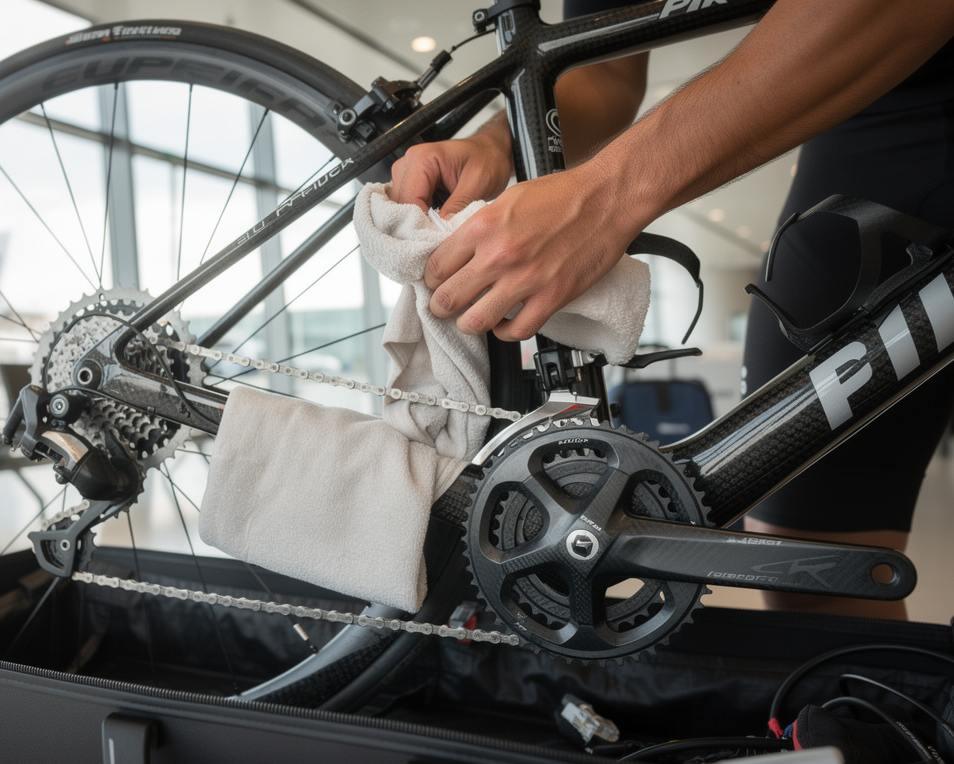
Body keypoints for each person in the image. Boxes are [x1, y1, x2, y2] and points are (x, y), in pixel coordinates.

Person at [389, 0, 954, 619]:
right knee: (806, 555)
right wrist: (499, 144)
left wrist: (604, 197)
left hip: (880, 53)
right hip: (874, 118)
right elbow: (605, 72)